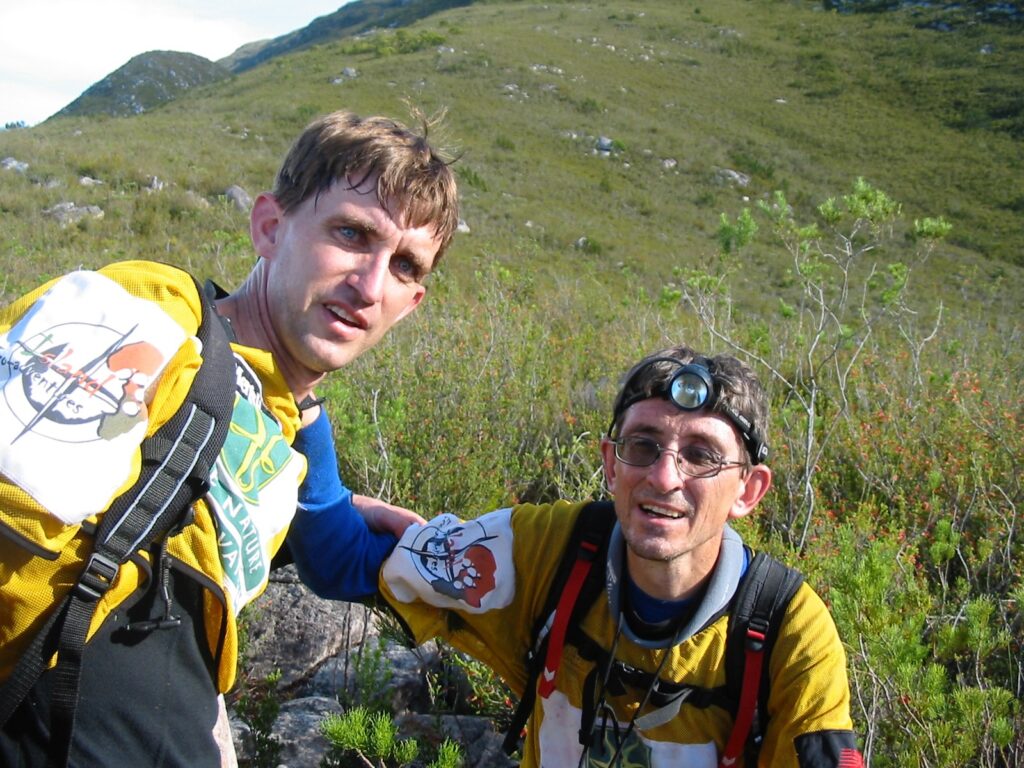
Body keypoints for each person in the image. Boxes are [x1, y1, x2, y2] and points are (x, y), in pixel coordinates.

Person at [0, 109, 458, 767]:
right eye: (353, 234)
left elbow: (313, 533)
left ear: (411, 304)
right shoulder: (155, 316)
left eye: (405, 265)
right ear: (270, 226)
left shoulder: (291, 426)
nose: (369, 285)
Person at [291, 344, 864, 767]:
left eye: (701, 455)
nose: (664, 477)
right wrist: (303, 404)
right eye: (644, 446)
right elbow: (339, 560)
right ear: (611, 464)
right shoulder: (548, 551)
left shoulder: (785, 631)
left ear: (748, 490)